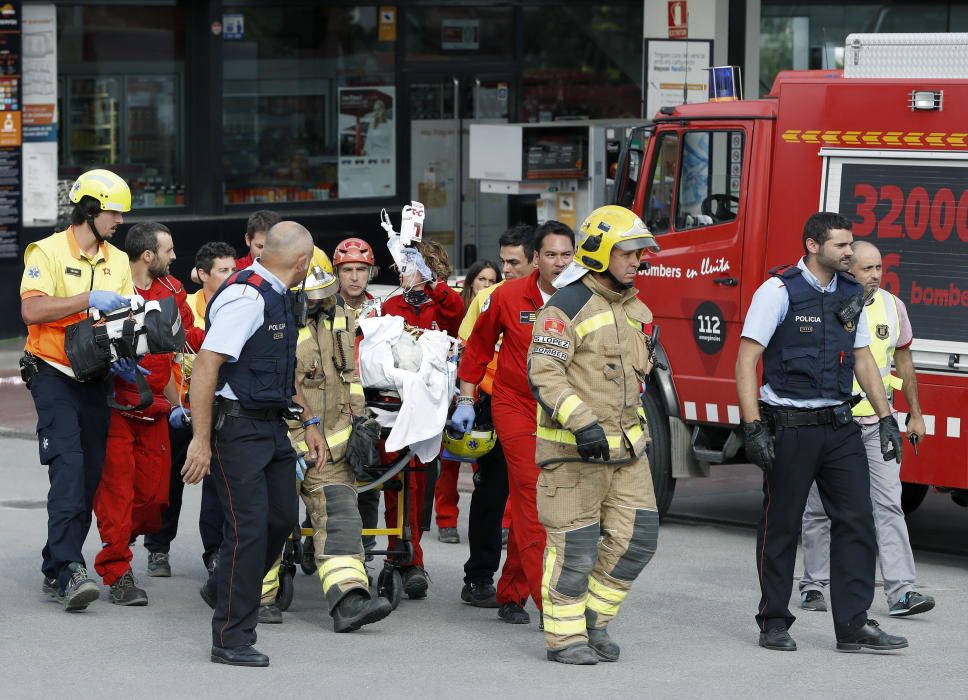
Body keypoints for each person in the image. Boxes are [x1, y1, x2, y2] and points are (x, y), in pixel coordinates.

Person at [735, 211, 908, 654]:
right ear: (813, 246)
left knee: (857, 522)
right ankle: (774, 620)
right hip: (789, 426)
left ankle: (853, 624)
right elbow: (746, 360)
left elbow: (865, 359)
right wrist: (753, 426)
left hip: (840, 424)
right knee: (782, 526)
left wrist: (888, 417)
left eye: (851, 244)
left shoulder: (852, 292)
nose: (850, 252)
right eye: (841, 246)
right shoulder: (777, 291)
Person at [181, 221, 320, 667]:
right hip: (237, 430)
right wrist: (201, 441)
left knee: (281, 520)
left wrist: (310, 419)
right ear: (301, 262)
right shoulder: (248, 297)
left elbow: (278, 367)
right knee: (248, 529)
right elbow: (206, 367)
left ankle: (224, 582)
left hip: (272, 426)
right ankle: (231, 637)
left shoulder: (278, 293)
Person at [526, 206, 660, 665]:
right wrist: (582, 424)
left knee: (638, 539)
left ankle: (593, 623)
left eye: (640, 254)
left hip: (627, 452)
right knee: (576, 548)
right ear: (601, 253)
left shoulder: (635, 308)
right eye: (628, 253)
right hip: (573, 453)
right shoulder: (563, 306)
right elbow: (545, 373)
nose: (636, 261)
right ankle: (564, 638)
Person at [799, 240, 934, 617]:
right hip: (832, 421)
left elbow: (904, 363)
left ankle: (902, 592)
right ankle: (814, 584)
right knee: (820, 507)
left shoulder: (894, 307)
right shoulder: (828, 304)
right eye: (867, 269)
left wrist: (915, 413)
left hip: (879, 423)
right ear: (847, 270)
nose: (876, 275)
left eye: (879, 268)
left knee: (889, 504)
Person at [20, 168, 134, 611]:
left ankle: (55, 563)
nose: (119, 220)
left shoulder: (119, 261)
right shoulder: (45, 251)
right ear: (89, 209)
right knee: (68, 469)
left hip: (96, 376)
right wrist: (86, 300)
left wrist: (127, 350)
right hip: (51, 373)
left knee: (87, 479)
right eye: (112, 211)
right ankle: (70, 569)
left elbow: (122, 317)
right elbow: (31, 310)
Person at [258, 263, 392, 631]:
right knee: (267, 522)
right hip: (280, 446)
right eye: (315, 302)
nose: (324, 306)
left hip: (331, 451)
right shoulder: (270, 322)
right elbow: (273, 386)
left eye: (327, 298)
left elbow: (349, 379)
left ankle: (349, 598)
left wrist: (360, 424)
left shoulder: (343, 320)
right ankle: (256, 596)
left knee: (341, 519)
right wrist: (291, 442)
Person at [454, 221, 574, 625]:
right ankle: (551, 604)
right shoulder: (503, 297)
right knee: (531, 496)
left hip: (566, 412)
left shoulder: (584, 298)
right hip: (515, 406)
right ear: (536, 258)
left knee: (554, 503)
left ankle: (511, 590)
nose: (559, 263)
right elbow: (477, 350)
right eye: (551, 255)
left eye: (566, 255)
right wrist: (467, 400)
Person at [92, 222, 204, 604]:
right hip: (115, 408)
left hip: (155, 408)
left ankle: (122, 534)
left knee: (155, 499)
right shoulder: (110, 288)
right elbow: (86, 342)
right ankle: (117, 569)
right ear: (147, 256)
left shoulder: (173, 291)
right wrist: (109, 366)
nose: (175, 257)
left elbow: (188, 341)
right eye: (169, 250)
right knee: (117, 496)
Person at [144, 241, 237, 577]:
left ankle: (214, 553)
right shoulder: (184, 304)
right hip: (179, 406)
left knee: (216, 483)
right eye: (223, 271)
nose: (231, 277)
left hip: (218, 408)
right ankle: (158, 549)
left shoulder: (240, 305)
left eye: (233, 270)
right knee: (169, 481)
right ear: (201, 275)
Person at [379, 239, 465, 598]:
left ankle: (414, 557)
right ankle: (399, 553)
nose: (404, 272)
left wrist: (432, 284)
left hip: (431, 404)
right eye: (402, 265)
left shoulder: (442, 302)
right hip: (396, 403)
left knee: (419, 481)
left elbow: (457, 316)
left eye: (411, 265)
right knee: (394, 480)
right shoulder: (390, 304)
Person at [454, 225, 534, 608]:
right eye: (502, 261)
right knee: (491, 495)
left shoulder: (557, 299)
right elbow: (470, 351)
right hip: (493, 407)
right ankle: (479, 577)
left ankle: (522, 584)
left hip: (540, 411)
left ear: (533, 259)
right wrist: (467, 402)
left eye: (513, 262)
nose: (505, 269)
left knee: (531, 502)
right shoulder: (489, 298)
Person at [434, 260, 503, 545]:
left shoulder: (501, 306)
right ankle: (446, 520)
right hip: (457, 390)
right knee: (449, 462)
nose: (486, 286)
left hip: (489, 394)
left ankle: (500, 525)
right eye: (481, 280)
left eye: (491, 281)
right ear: (471, 282)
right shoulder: (461, 311)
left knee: (486, 463)